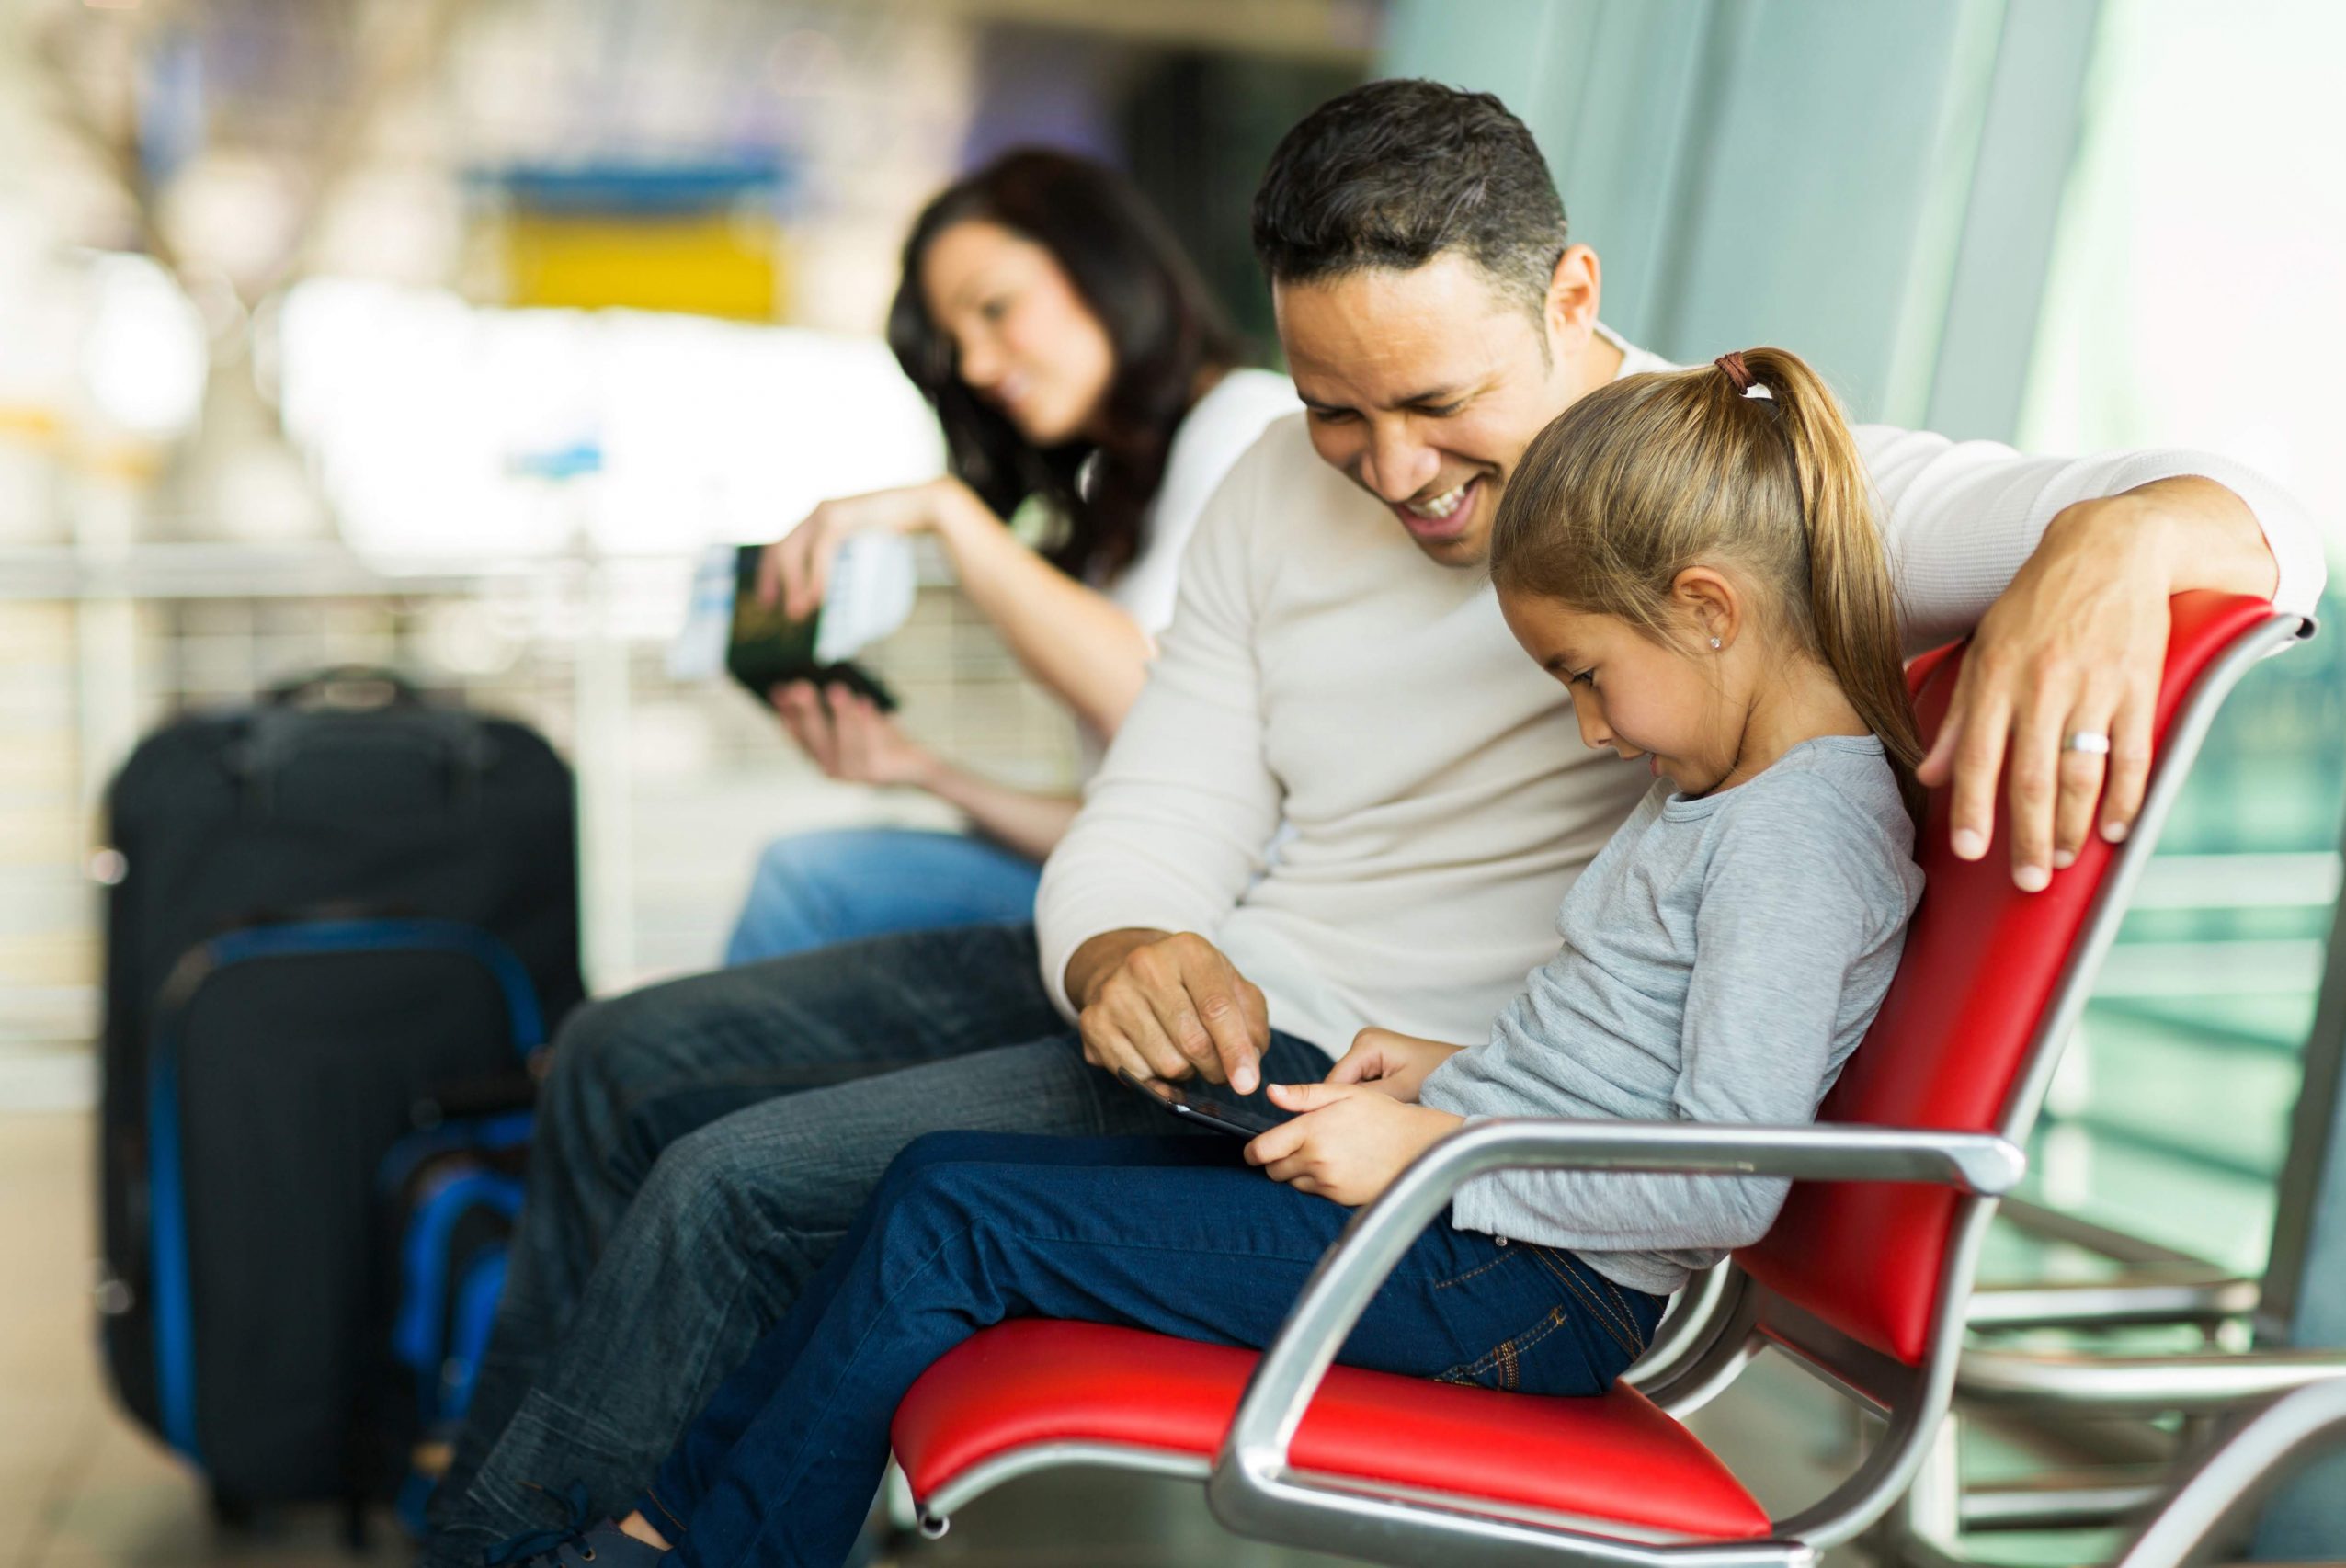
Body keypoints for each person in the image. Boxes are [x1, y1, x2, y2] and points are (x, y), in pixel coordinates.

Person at [423, 81, 2322, 1564]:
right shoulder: (1274, 478)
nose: (1392, 471)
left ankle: (540, 1543)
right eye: (1339, 408)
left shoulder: (1734, 501)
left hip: (1404, 1106)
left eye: (1434, 402)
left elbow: (2256, 509)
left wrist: (2119, 543)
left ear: (1567, 298)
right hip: (1235, 999)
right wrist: (1121, 940)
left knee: (741, 1185)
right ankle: (526, 1507)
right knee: (622, 1062)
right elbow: (1163, 796)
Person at [478, 342, 1930, 1568]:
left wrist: (1433, 1146)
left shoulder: (1798, 835)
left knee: (952, 1221)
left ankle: (682, 1546)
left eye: (1589, 678)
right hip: (1470, 1202)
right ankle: (662, 1528)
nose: (1591, 729)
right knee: (933, 1180)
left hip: (1528, 1282)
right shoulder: (1726, 785)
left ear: (1710, 607)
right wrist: (1440, 1073)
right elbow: (1626, 1048)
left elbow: (1725, 1174)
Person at [724, 148, 1296, 964]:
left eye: (995, 308)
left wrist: (946, 511)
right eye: (957, 345)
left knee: (811, 881)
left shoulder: (1248, 424)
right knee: (808, 874)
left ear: (1101, 263)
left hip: (1231, 925)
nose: (979, 367)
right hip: (1152, 890)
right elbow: (1128, 821)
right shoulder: (1122, 501)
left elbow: (1155, 717)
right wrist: (922, 770)